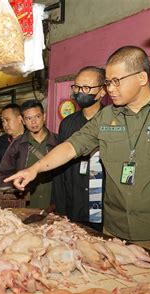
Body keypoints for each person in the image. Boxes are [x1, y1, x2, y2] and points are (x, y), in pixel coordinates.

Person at [5, 46, 150, 262]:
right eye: (108, 82)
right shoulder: (106, 117)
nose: (110, 88)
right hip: (115, 233)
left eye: (116, 81)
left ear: (141, 77)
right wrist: (35, 168)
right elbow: (72, 146)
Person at [53, 66, 107, 232]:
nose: (79, 92)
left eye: (86, 88)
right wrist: (60, 208)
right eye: (76, 87)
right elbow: (59, 169)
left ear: (102, 91)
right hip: (74, 202)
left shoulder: (113, 121)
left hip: (103, 206)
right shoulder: (68, 124)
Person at [0, 100, 58, 210]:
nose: (34, 122)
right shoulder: (17, 144)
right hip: (25, 206)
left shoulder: (58, 142)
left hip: (53, 206)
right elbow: (4, 173)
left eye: (37, 117)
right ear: (23, 121)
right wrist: (14, 197)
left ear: (44, 117)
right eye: (29, 118)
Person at [0, 104, 25, 180]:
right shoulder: (1, 141)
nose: (4, 124)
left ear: (19, 119)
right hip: (5, 187)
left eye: (7, 120)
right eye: (3, 121)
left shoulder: (30, 139)